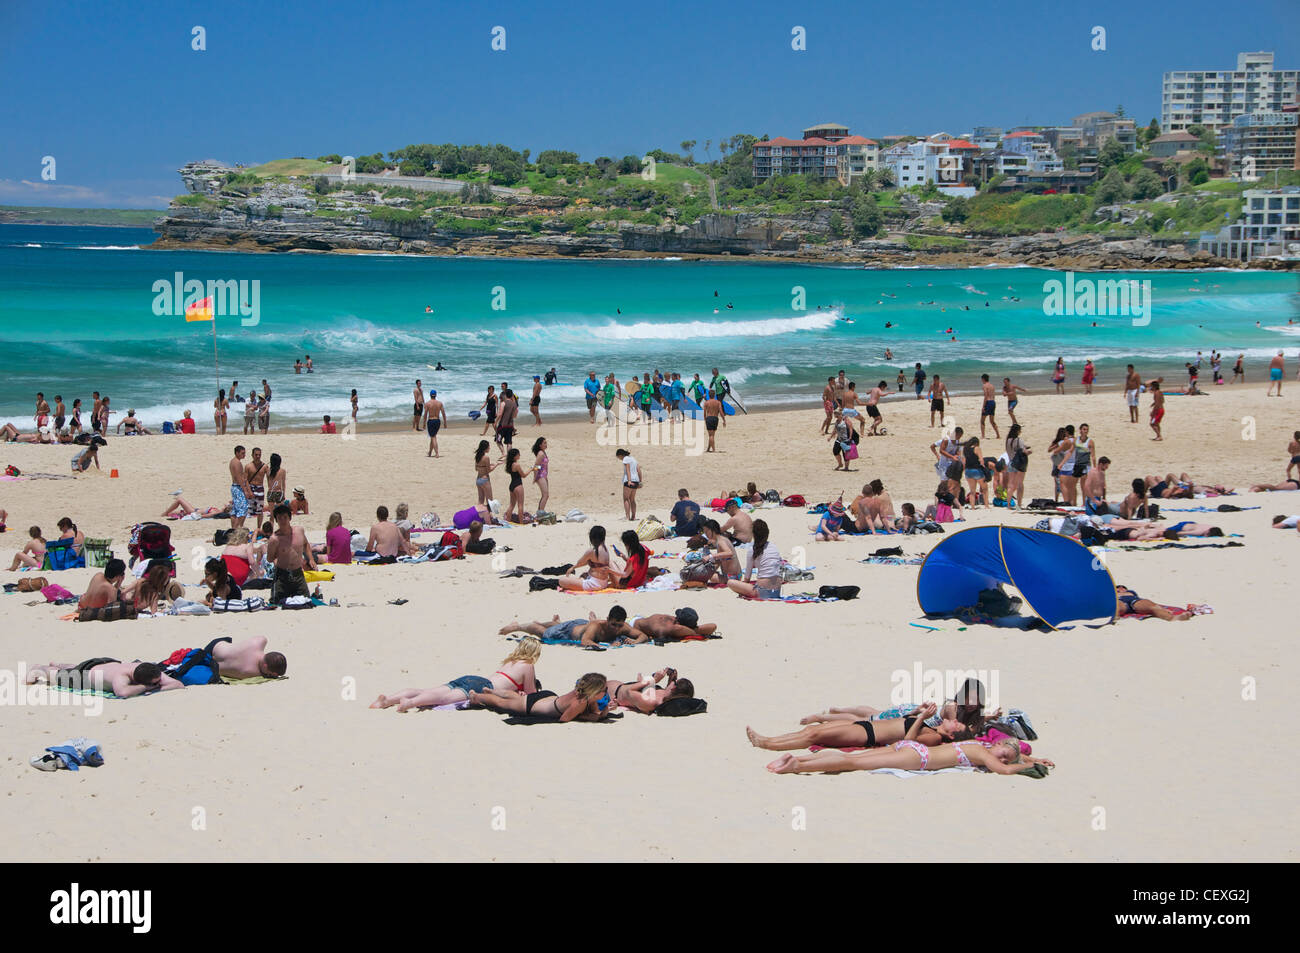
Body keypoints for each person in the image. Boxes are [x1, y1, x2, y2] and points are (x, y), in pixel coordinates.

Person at [371, 637, 541, 711]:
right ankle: (409, 703)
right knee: (442, 699)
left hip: (473, 678)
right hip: (483, 687)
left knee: (428, 691)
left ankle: (387, 700)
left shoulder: (509, 661)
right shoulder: (528, 665)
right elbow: (531, 695)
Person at [470, 672, 612, 723]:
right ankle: (478, 697)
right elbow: (564, 719)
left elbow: (595, 713)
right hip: (535, 706)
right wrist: (586, 717)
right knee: (502, 703)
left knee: (515, 698)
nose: (606, 692)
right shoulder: (579, 703)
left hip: (548, 697)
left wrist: (603, 711)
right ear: (594, 692)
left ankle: (491, 690)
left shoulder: (586, 697)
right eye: (604, 690)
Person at [26, 659, 182, 698]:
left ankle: (59, 663)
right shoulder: (121, 677)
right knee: (54, 676)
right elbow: (122, 693)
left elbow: (178, 684)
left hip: (103, 663)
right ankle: (39, 668)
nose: (159, 682)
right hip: (85, 677)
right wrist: (146, 688)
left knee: (75, 666)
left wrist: (159, 687)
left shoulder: (146, 669)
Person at [267, 503, 316, 603]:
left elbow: (306, 544)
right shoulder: (274, 539)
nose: (283, 520)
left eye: (285, 517)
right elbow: (269, 558)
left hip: (298, 573)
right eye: (279, 518)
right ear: (276, 520)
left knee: (306, 600)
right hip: (282, 575)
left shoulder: (299, 531)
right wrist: (277, 558)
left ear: (289, 518)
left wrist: (311, 559)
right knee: (276, 602)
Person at [727, 519, 781, 600]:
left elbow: (747, 578)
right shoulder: (774, 547)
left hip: (762, 592)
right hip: (777, 591)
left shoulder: (752, 550)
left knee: (730, 582)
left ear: (754, 534)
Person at [607, 668, 695, 711]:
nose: (673, 681)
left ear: (674, 687)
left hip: (610, 692)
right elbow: (661, 693)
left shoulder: (650, 702)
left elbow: (628, 692)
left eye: (675, 681)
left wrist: (653, 680)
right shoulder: (666, 698)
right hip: (618, 687)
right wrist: (670, 680)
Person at [210, 636, 287, 679]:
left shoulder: (259, 642)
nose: (269, 675)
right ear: (265, 666)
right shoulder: (250, 671)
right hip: (210, 663)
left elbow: (263, 638)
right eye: (270, 674)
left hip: (217, 645)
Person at [1115, 584, 1193, 621]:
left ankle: (1173, 618)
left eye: (1121, 588)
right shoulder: (1111, 594)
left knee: (1151, 606)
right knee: (1117, 607)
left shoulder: (1130, 592)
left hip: (1135, 601)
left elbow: (1131, 595)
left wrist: (1161, 608)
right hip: (1120, 601)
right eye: (1117, 588)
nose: (1119, 589)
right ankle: (1115, 617)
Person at [1004, 424, 1030, 509]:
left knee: (1011, 485)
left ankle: (1008, 504)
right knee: (1020, 484)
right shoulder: (1019, 440)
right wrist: (1029, 451)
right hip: (1019, 464)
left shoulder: (1008, 440)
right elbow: (1023, 451)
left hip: (1011, 462)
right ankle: (1019, 504)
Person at [504, 448, 531, 523]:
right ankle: (521, 522)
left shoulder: (510, 465)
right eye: (518, 454)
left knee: (511, 505)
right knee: (520, 505)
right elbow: (524, 475)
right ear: (515, 456)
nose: (519, 455)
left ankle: (508, 521)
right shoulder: (517, 465)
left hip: (512, 485)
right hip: (518, 485)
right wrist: (531, 469)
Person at [962, 436, 990, 508]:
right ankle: (986, 505)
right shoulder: (977, 448)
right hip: (976, 470)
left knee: (972, 491)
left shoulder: (965, 449)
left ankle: (973, 507)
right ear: (976, 443)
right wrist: (984, 468)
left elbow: (964, 462)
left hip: (968, 471)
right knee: (984, 489)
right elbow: (981, 460)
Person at [616, 448, 641, 520]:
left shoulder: (625, 459)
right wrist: (640, 481)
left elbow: (628, 469)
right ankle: (633, 516)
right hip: (636, 480)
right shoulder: (633, 459)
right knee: (632, 499)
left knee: (626, 499)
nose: (619, 459)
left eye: (618, 457)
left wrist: (629, 480)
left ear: (620, 455)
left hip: (629, 480)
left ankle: (627, 517)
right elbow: (639, 470)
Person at [423, 389, 447, 458]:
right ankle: (430, 452)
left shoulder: (427, 403)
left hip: (431, 421)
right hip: (437, 421)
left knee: (433, 437)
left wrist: (424, 424)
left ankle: (437, 453)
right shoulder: (440, 403)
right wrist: (445, 423)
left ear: (430, 395)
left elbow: (425, 415)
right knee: (432, 436)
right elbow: (443, 413)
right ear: (435, 395)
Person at [495, 388, 518, 457]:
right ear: (511, 395)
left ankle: (503, 453)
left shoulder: (503, 403)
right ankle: (509, 455)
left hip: (502, 425)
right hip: (510, 426)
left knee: (498, 440)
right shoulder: (514, 404)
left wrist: (496, 422)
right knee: (509, 442)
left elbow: (500, 414)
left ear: (505, 395)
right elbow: (515, 415)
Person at [532, 437, 550, 515]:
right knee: (545, 495)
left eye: (546, 443)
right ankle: (540, 512)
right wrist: (535, 477)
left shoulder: (543, 452)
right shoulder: (541, 454)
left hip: (544, 476)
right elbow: (536, 466)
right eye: (544, 443)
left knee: (545, 495)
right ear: (540, 445)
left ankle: (540, 511)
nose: (546, 444)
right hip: (540, 476)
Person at [978, 374, 999, 439]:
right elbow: (993, 395)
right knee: (992, 421)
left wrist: (983, 406)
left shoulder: (984, 386)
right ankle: (998, 435)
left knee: (982, 420)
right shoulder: (992, 386)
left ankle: (983, 436)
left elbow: (986, 396)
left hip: (988, 402)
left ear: (983, 379)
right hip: (993, 402)